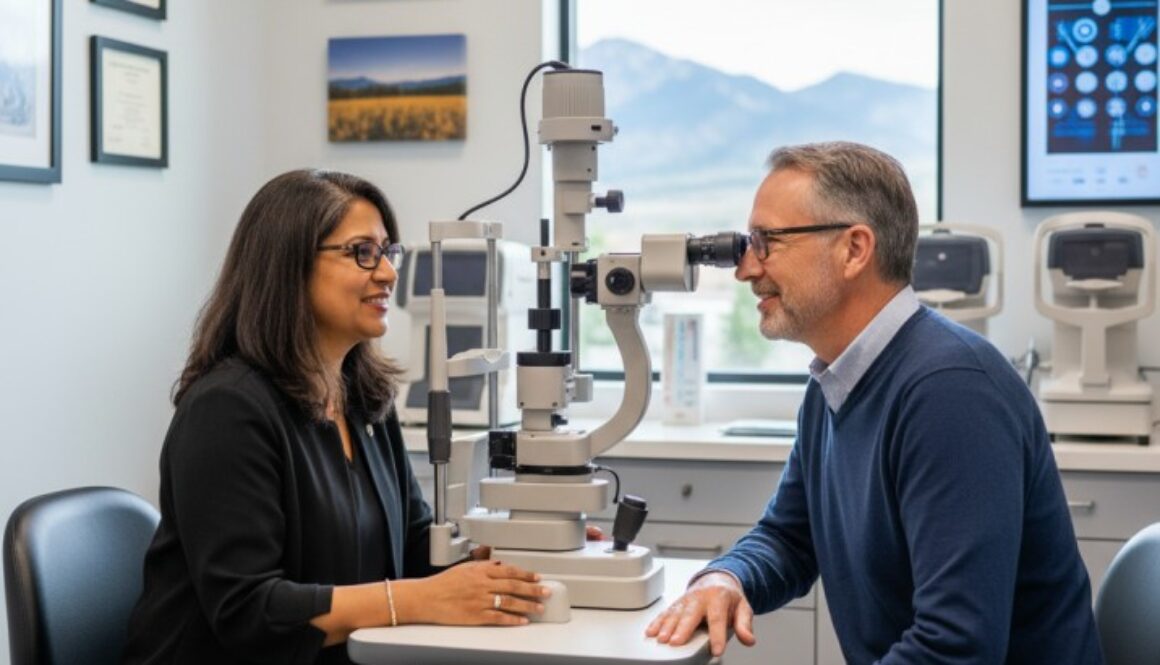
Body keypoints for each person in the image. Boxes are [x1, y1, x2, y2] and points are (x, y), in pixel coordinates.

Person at [646, 142, 1103, 663]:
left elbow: (955, 649)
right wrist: (726, 578)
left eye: (767, 241)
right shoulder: (834, 382)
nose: (746, 268)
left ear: (855, 249)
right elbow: (790, 537)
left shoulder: (950, 393)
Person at [123, 170, 552, 665]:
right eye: (362, 253)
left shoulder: (365, 400)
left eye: (388, 252)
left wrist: (524, 549)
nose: (389, 273)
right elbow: (249, 612)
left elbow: (411, 547)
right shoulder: (227, 410)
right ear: (288, 266)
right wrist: (416, 600)